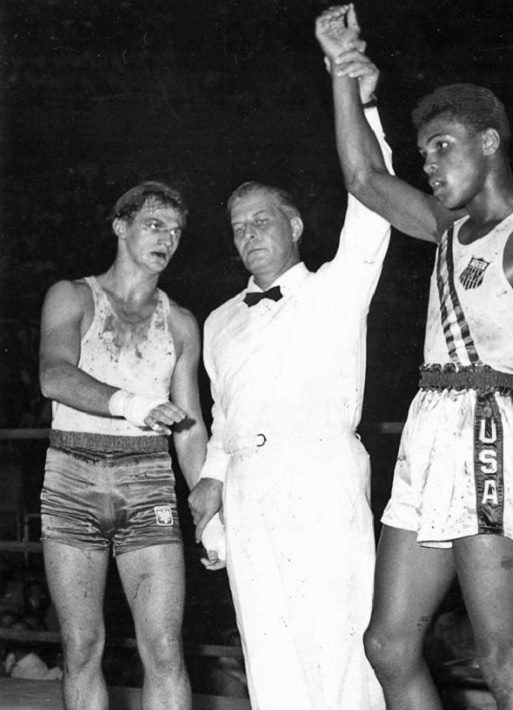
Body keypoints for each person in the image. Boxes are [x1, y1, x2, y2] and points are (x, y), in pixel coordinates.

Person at [316, 5, 513, 710]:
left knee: (505, 666)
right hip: (429, 430)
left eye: (443, 146)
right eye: (424, 154)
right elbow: (363, 179)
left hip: (493, 430)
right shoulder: (448, 229)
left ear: (489, 141)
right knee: (388, 646)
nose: (430, 164)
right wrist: (341, 75)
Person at [187, 67, 393, 710]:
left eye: (261, 221)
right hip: (249, 488)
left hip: (322, 474)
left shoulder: (338, 286)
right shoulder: (220, 320)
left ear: (296, 225)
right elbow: (223, 417)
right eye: (239, 227)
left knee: (339, 642)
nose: (250, 236)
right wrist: (215, 491)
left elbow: (373, 201)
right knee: (267, 649)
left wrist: (364, 102)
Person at [38, 181, 208, 710]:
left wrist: (208, 506)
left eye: (176, 231)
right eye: (155, 225)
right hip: (72, 473)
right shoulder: (72, 295)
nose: (168, 239)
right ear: (121, 226)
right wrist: (132, 404)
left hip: (148, 479)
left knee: (163, 647)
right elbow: (54, 375)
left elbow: (190, 426)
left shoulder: (180, 322)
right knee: (83, 646)